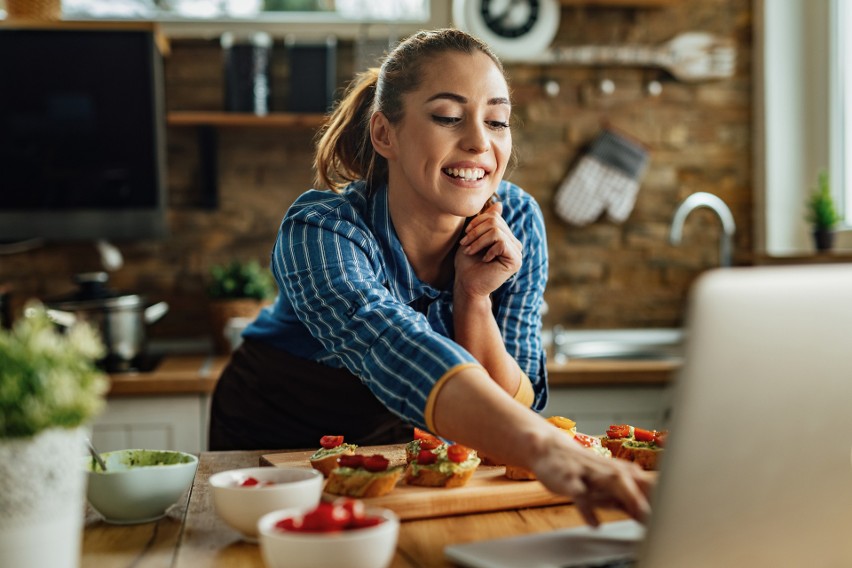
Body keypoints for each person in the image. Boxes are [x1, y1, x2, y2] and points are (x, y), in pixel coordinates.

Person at [209, 28, 653, 526]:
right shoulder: (321, 230)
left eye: (498, 121)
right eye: (447, 117)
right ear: (384, 134)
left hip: (409, 437)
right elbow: (392, 347)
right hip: (273, 432)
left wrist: (474, 298)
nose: (479, 143)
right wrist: (544, 446)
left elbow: (520, 395)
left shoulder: (519, 220)